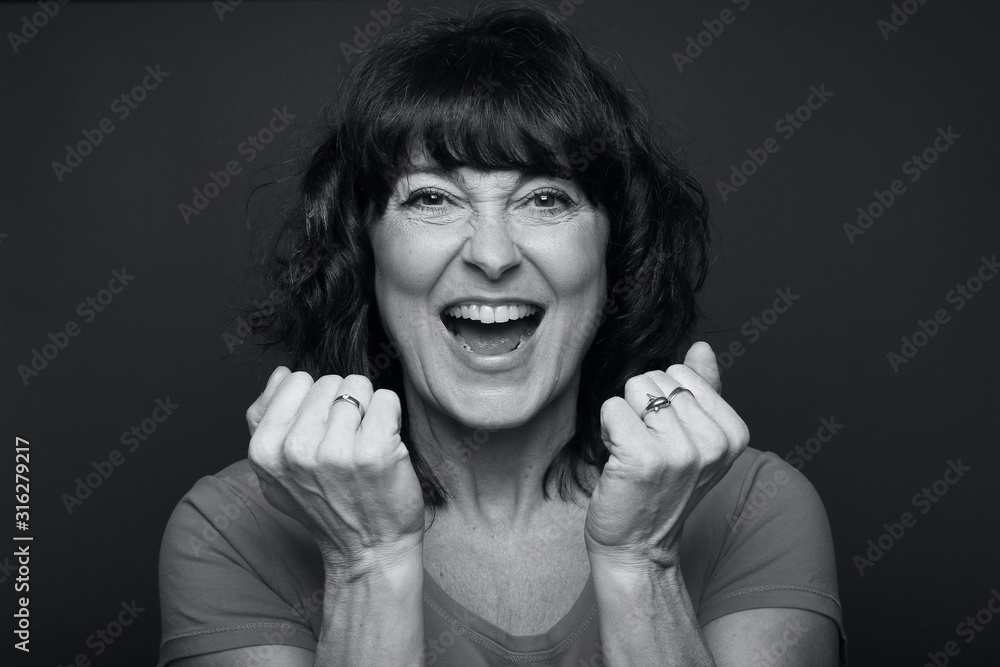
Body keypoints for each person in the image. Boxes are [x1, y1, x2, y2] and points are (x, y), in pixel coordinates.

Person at [157, 3, 846, 665]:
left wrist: (645, 559)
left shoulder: (753, 507)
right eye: (432, 198)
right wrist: (366, 562)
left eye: (546, 198)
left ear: (615, 253)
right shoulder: (232, 528)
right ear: (365, 253)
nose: (492, 254)